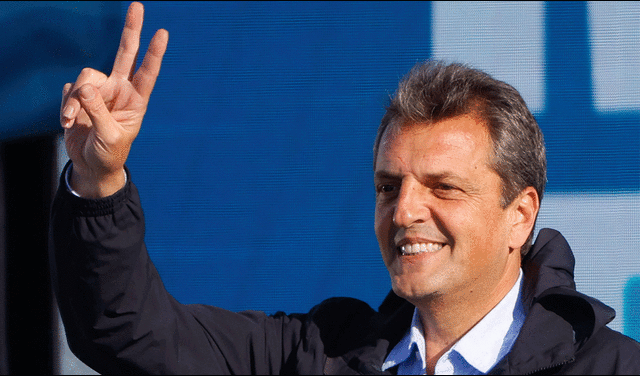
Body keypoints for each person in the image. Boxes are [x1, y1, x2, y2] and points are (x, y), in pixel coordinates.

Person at [51, 2, 640, 374]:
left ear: (520, 215)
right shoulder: (320, 354)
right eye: (389, 186)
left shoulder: (611, 367)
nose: (405, 210)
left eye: (443, 187)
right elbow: (128, 333)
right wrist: (99, 184)